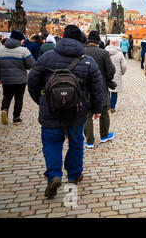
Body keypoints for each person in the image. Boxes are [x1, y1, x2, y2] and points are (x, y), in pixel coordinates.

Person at [27, 25, 103, 199]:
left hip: (51, 110)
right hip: (77, 111)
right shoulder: (87, 60)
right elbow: (97, 88)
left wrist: (41, 101)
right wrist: (97, 109)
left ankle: (54, 174)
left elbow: (32, 81)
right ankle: (74, 174)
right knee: (76, 142)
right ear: (80, 41)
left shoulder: (46, 57)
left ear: (62, 38)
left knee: (51, 143)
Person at [83, 31, 116, 149]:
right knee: (104, 112)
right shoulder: (103, 53)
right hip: (100, 86)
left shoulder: (81, 52)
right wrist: (107, 78)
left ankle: (90, 141)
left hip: (85, 88)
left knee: (87, 114)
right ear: (98, 42)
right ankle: (104, 135)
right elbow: (111, 72)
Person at [0, 30, 35, 125]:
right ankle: (16, 117)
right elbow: (31, 64)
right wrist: (25, 67)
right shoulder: (24, 51)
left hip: (6, 78)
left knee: (7, 96)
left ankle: (4, 109)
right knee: (19, 98)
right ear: (20, 40)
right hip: (20, 79)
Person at [105, 38, 127, 113]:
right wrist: (122, 72)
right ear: (117, 43)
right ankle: (112, 107)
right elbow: (124, 66)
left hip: (106, 74)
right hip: (116, 74)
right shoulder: (120, 54)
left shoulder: (105, 52)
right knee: (114, 91)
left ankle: (107, 105)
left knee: (107, 90)